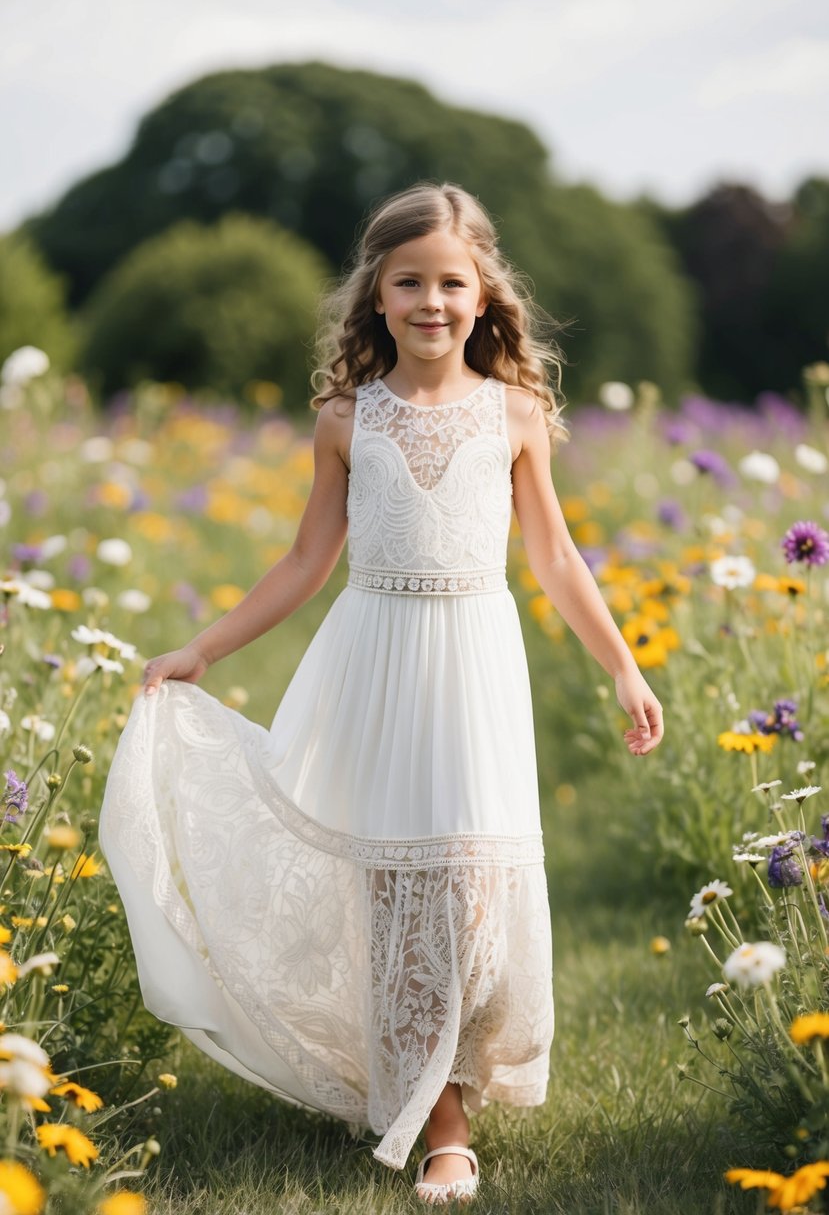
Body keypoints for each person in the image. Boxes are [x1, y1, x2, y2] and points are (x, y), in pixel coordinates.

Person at [97, 180, 663, 1207]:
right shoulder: (346, 418)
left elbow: (556, 557)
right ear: (376, 295)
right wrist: (202, 649)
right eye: (410, 281)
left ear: (486, 294)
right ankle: (441, 1124)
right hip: (375, 663)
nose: (432, 301)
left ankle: (445, 1071)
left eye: (452, 282)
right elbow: (305, 561)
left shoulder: (517, 412)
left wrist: (622, 663)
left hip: (474, 669)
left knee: (473, 895)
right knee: (400, 889)